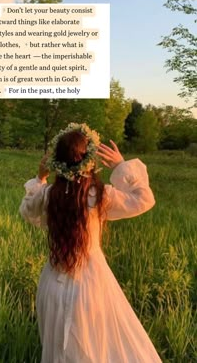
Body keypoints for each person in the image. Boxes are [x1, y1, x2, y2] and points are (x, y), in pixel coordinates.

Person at [19, 123, 162, 363]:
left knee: (58, 349)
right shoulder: (99, 195)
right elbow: (143, 200)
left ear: (57, 162)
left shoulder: (47, 194)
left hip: (53, 282)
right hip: (91, 283)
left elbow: (27, 211)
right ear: (90, 161)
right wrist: (121, 166)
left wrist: (40, 177)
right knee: (96, 345)